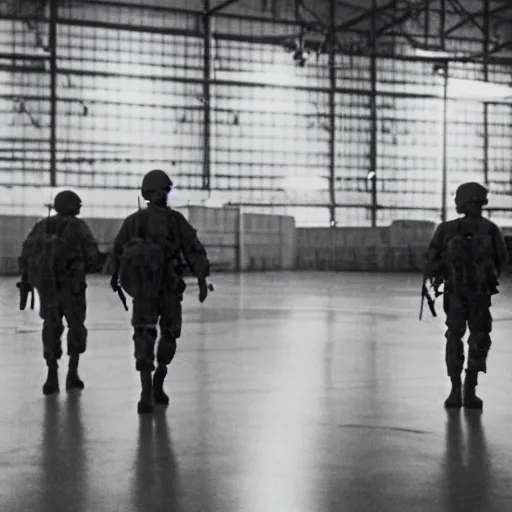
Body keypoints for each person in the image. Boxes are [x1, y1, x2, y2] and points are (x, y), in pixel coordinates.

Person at [110, 169, 210, 414]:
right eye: (162, 190)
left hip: (147, 290)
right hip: (166, 289)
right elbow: (193, 249)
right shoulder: (175, 221)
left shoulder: (134, 221)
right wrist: (201, 277)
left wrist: (116, 278)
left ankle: (150, 388)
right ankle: (152, 387)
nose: (164, 194)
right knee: (167, 334)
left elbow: (117, 252)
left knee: (147, 335)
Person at [424, 182, 508, 410]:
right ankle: (459, 389)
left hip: (472, 296)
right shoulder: (479, 230)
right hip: (463, 295)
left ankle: (466, 388)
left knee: (472, 339)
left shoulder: (484, 230)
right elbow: (501, 260)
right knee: (462, 338)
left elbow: (500, 260)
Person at [19, 190, 105, 395]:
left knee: (51, 326)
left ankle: (51, 375)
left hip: (47, 287)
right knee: (76, 326)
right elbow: (92, 257)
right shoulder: (78, 226)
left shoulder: (42, 226)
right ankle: (72, 374)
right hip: (72, 285)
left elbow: (26, 253)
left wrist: (29, 279)